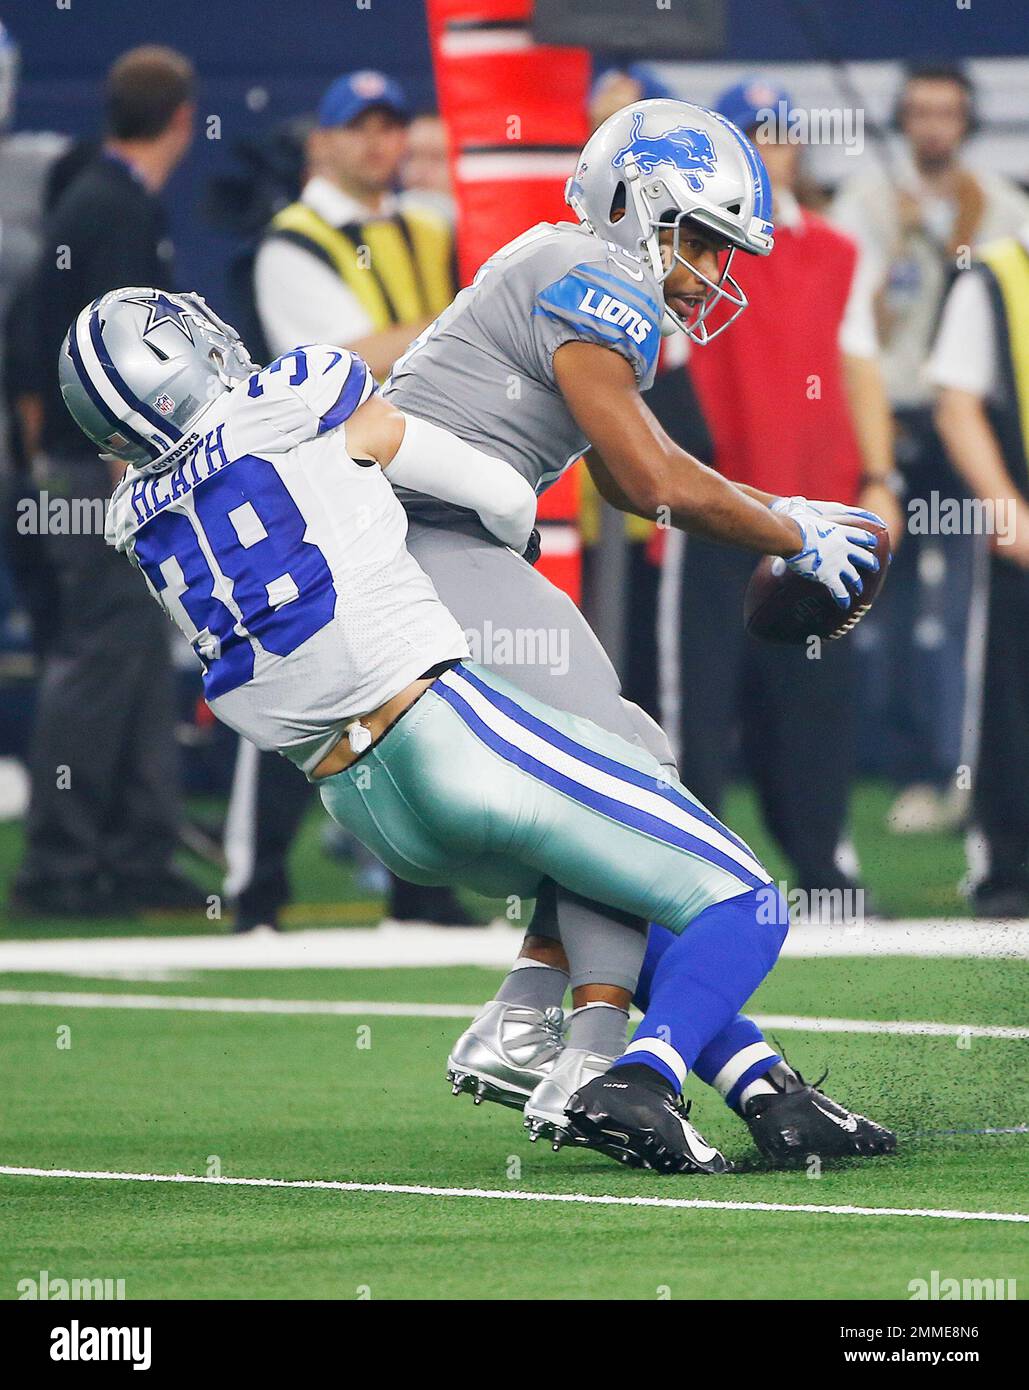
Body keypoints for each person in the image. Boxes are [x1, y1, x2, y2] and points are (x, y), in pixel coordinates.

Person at [58, 285, 893, 1170]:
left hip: (358, 799)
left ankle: (759, 1087)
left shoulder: (135, 520)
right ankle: (629, 1073)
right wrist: (512, 537)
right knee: (744, 900)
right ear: (194, 354)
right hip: (443, 730)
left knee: (606, 872)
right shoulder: (301, 391)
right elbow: (492, 487)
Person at [384, 97, 894, 1162]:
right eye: (699, 236)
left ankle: (566, 1020)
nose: (709, 270)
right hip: (433, 545)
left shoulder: (570, 269)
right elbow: (658, 476)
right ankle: (587, 1053)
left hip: (430, 552)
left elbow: (625, 482)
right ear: (635, 201)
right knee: (635, 778)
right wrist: (789, 525)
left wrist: (769, 517)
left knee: (601, 800)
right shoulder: (590, 270)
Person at [229, 70, 461, 933]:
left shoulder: (422, 228)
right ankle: (255, 893)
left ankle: (419, 892)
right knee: (296, 682)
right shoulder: (293, 240)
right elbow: (337, 364)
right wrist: (461, 324)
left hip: (405, 483)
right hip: (312, 495)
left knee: (420, 684)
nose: (378, 142)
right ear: (320, 141)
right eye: (357, 127)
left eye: (389, 125)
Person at [660, 78, 900, 911]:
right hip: (711, 515)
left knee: (814, 700)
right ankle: (688, 874)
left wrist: (878, 476)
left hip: (815, 516)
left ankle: (824, 870)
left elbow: (857, 362)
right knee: (698, 702)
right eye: (752, 136)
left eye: (780, 135)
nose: (770, 151)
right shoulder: (689, 247)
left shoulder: (835, 251)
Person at [9, 45, 201, 917]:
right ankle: (61, 862)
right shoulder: (117, 211)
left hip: (80, 470)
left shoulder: (86, 201)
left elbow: (30, 344)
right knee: (103, 657)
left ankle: (130, 855)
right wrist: (128, 475)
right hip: (104, 476)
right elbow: (125, 366)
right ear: (182, 119)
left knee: (127, 659)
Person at [831, 64, 1029, 833]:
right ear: (901, 120)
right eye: (918, 112)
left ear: (967, 121)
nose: (932, 126)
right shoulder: (866, 206)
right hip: (890, 419)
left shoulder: (1003, 207)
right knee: (884, 605)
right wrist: (911, 240)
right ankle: (908, 768)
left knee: (963, 617)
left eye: (947, 113)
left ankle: (967, 772)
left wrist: (956, 237)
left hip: (974, 429)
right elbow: (856, 334)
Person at [929, 225, 1029, 918]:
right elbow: (956, 402)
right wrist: (1004, 509)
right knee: (1007, 698)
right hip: (1022, 523)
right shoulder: (994, 273)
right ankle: (1006, 869)